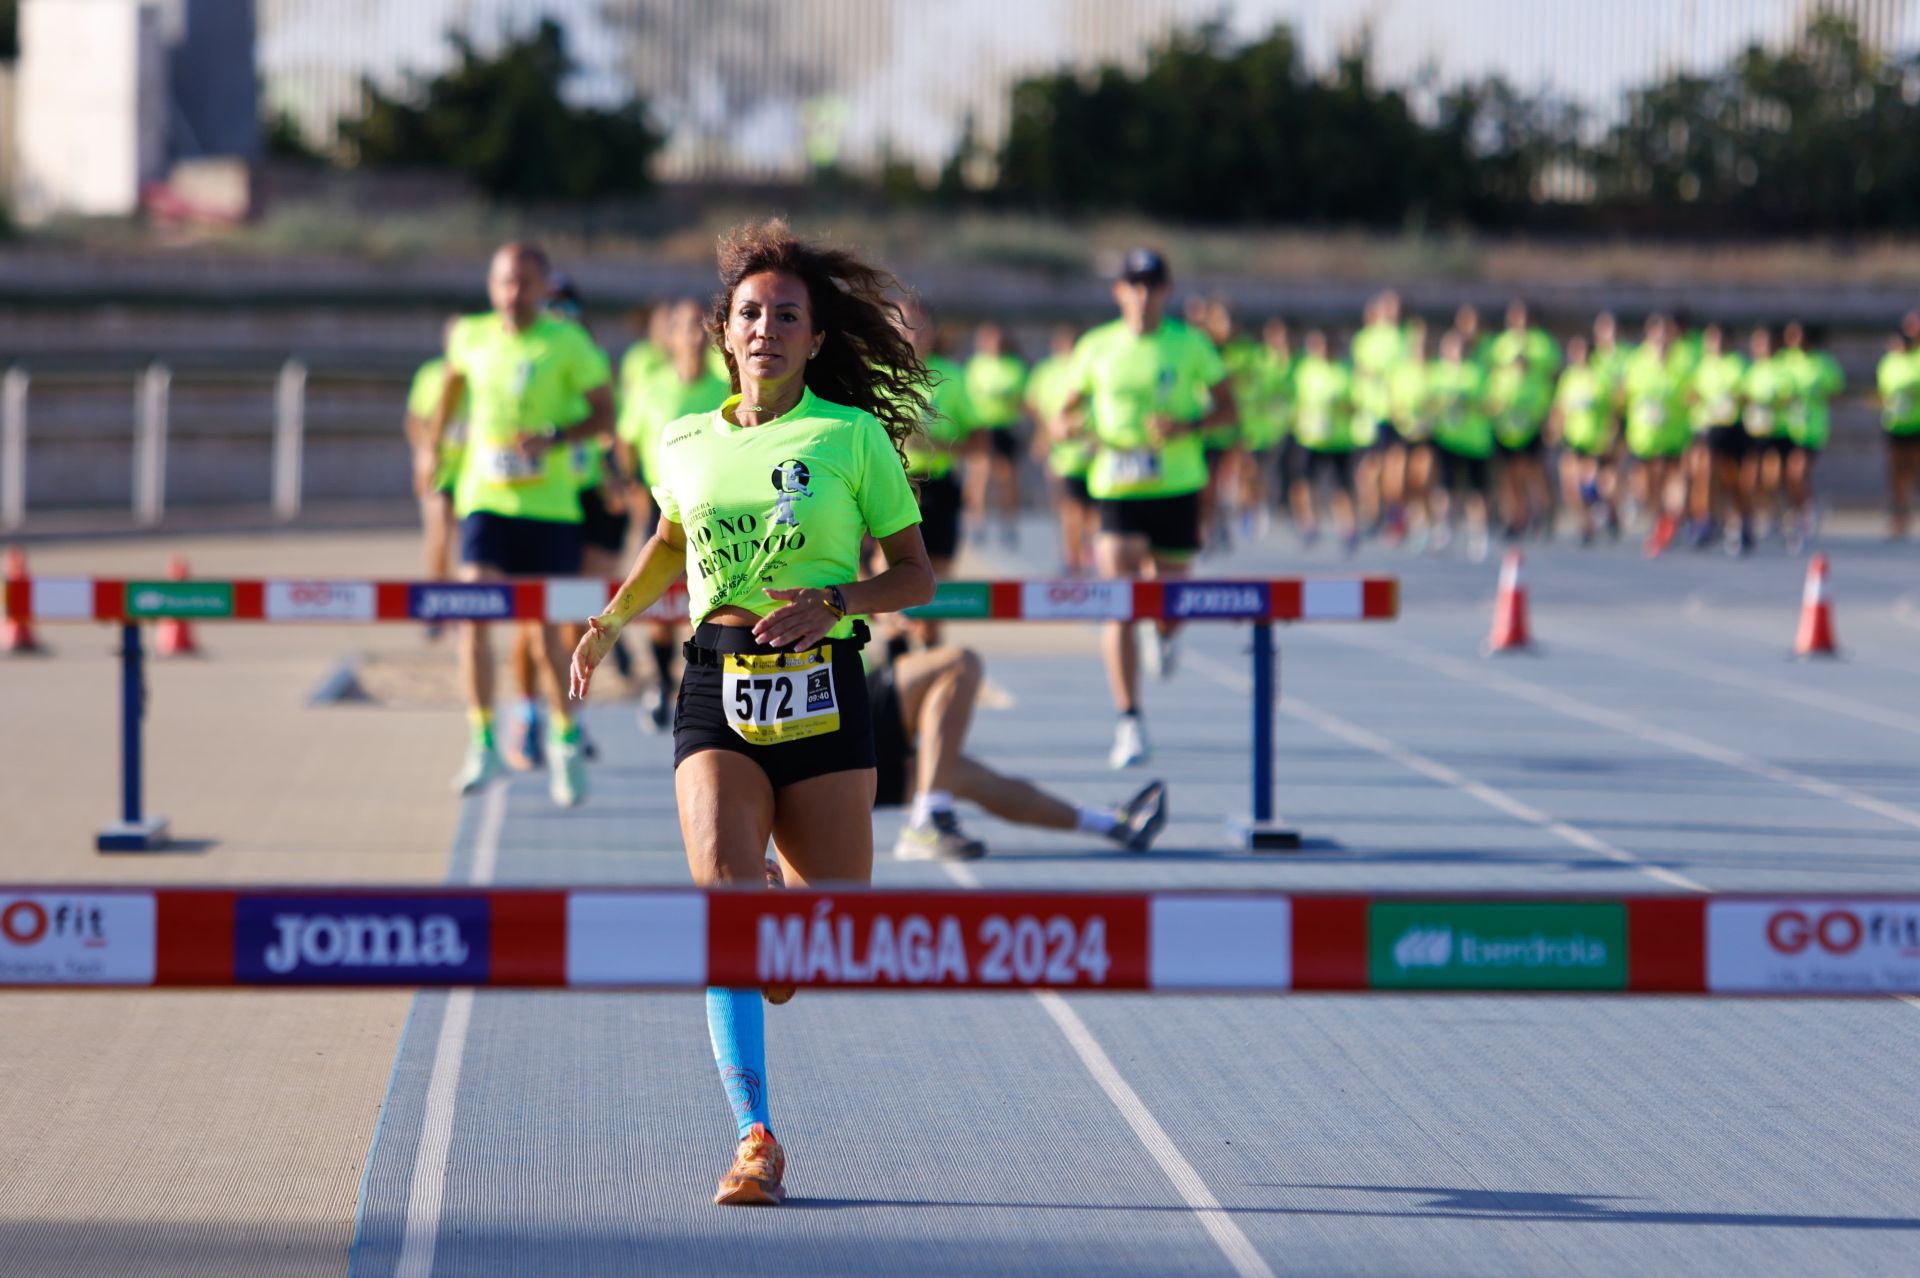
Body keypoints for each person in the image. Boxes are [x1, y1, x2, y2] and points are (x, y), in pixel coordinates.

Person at [569, 221, 935, 1208]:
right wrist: (609, 621)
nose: (766, 329)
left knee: (828, 942)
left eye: (786, 315)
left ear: (815, 339)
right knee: (728, 911)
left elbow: (915, 573)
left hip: (823, 691)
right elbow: (666, 540)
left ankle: (781, 904)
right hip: (714, 689)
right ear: (722, 335)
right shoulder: (683, 437)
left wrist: (839, 600)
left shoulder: (851, 438)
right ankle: (754, 1138)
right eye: (750, 315)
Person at [415, 243, 614, 808]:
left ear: (545, 287)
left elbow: (604, 413)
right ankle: (481, 739)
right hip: (486, 501)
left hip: (550, 509)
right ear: (490, 284)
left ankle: (566, 739)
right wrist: (433, 449)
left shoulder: (567, 341)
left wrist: (554, 438)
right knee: (473, 613)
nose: (513, 293)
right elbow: (450, 391)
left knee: (553, 634)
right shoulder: (471, 336)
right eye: (505, 281)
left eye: (525, 282)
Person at [1059, 249, 1233, 771]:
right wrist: (1071, 427)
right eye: (1133, 284)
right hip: (1116, 488)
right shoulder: (1096, 347)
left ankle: (1165, 632)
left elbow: (1228, 410)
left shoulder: (1191, 344)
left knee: (1170, 601)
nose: (1142, 294)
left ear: (1166, 291)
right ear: (1119, 292)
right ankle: (1130, 720)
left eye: (1152, 285)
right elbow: (1063, 411)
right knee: (1120, 600)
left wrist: (1186, 427)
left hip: (1177, 485)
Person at [873, 643, 1170, 859]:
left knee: (959, 777)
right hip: (838, 706)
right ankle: (928, 817)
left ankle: (1111, 824)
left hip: (844, 714)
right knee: (959, 663)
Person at [614, 298, 731, 730]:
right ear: (671, 336)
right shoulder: (651, 387)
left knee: (712, 598)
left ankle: (702, 684)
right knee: (661, 604)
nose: (696, 336)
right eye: (685, 327)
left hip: (715, 511)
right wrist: (631, 487)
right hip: (664, 510)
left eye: (703, 328)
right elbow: (625, 440)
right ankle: (662, 683)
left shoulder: (725, 386)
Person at [403, 316, 467, 592]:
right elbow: (415, 420)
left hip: (472, 471)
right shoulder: (430, 374)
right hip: (440, 467)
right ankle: (438, 595)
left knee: (470, 544)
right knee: (439, 535)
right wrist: (424, 454)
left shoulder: (481, 373)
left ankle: (464, 602)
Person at [1026, 324, 1093, 574]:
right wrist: (1042, 436)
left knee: (1092, 510)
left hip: (1093, 451)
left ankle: (1086, 550)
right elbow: (1034, 405)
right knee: (1069, 508)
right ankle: (1072, 557)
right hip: (1062, 452)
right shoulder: (1046, 371)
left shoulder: (1089, 370)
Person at [1622, 314, 1689, 556]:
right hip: (1645, 437)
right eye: (1656, 335)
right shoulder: (1637, 362)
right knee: (1649, 485)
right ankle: (1659, 521)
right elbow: (1625, 395)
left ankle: (1669, 523)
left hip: (1674, 435)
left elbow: (1692, 394)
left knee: (1673, 479)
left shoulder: (1682, 363)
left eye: (1665, 335)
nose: (1661, 340)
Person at [1287, 329, 1359, 551]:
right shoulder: (1303, 371)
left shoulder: (1345, 371)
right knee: (1303, 482)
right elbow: (1292, 400)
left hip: (1338, 440)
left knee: (1341, 487)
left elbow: (1356, 403)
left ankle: (1348, 528)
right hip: (1309, 437)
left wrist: (1338, 408)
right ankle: (1309, 524)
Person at [1684, 323, 1751, 553]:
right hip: (1707, 428)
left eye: (1720, 339)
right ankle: (1705, 519)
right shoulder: (1701, 367)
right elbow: (1691, 395)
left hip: (1731, 428)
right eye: (1712, 339)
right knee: (1704, 472)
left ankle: (1740, 520)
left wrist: (1734, 398)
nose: (1716, 344)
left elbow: (1746, 394)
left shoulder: (1737, 365)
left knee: (1733, 479)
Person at [1428, 328, 1492, 560]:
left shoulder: (1478, 373)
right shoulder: (1436, 373)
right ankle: (1443, 529)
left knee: (1476, 491)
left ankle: (1479, 535)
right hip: (1447, 439)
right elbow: (1429, 402)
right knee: (1444, 487)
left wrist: (1468, 404)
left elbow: (1490, 404)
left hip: (1474, 441)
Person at [1778, 321, 1843, 551]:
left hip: (1811, 428)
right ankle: (1797, 513)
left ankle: (1807, 511)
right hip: (1786, 426)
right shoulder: (1785, 361)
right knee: (1786, 476)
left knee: (1798, 471)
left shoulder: (1823, 363)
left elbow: (1836, 393)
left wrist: (1816, 395)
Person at [1550, 335, 1621, 545]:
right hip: (1573, 438)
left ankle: (1609, 511)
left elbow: (1614, 410)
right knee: (1570, 483)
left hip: (1597, 440)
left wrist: (1612, 436)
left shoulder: (1601, 377)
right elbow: (1560, 407)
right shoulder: (1569, 377)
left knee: (1600, 485)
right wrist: (1555, 428)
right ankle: (1586, 525)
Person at [962, 321, 1027, 549]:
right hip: (982, 426)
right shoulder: (976, 365)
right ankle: (976, 520)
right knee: (979, 474)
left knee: (1007, 477)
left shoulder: (1013, 365)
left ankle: (1008, 522)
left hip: (1004, 426)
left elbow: (1018, 394)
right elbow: (969, 394)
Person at [1739, 326, 1794, 542]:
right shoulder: (1750, 371)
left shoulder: (1782, 370)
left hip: (1777, 432)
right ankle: (1767, 515)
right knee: (1750, 481)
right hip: (1754, 433)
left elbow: (1789, 398)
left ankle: (1783, 515)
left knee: (1772, 479)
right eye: (1759, 343)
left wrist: (1773, 402)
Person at [1385, 318, 1435, 549]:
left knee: (1421, 480)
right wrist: (1402, 414)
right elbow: (1393, 403)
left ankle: (1425, 521)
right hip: (1404, 431)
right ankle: (1400, 518)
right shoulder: (1401, 372)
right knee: (1397, 479)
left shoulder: (1437, 371)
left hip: (1427, 434)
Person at [1877, 320, 1920, 539]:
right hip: (1895, 424)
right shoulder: (1889, 362)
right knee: (1897, 473)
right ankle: (1900, 515)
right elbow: (1884, 393)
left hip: (1917, 424)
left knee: (1913, 470)